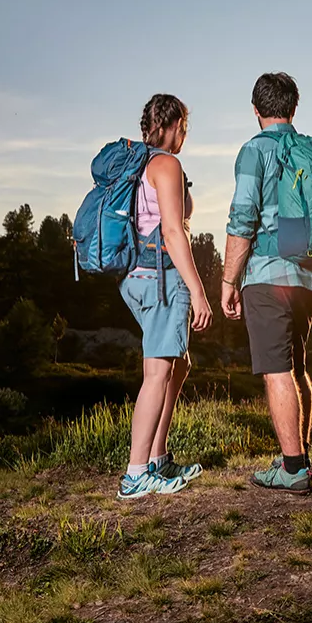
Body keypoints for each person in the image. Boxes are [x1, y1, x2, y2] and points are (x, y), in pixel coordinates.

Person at [221, 73, 312, 495]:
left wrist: (228, 280)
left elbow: (243, 218)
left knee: (276, 371)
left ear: (256, 109)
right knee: (296, 367)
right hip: (306, 277)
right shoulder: (309, 151)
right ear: (293, 108)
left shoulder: (254, 151)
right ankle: (299, 456)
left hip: (265, 275)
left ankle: (293, 469)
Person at [117, 94, 213, 499]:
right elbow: (173, 233)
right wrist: (199, 291)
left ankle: (156, 459)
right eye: (184, 128)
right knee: (157, 372)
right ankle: (135, 474)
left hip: (133, 277)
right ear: (175, 125)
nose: (184, 137)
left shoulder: (133, 162)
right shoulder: (167, 164)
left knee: (178, 364)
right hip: (161, 278)